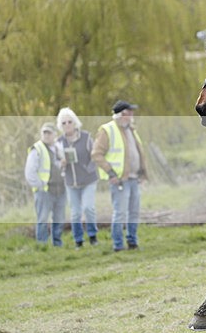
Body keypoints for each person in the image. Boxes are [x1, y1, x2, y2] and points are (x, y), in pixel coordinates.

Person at [92, 100, 148, 252]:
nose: (131, 116)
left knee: (134, 212)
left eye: (131, 113)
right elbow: (97, 154)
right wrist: (111, 173)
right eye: (128, 113)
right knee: (120, 213)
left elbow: (138, 153)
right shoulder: (107, 130)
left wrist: (142, 173)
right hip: (119, 180)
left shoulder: (131, 129)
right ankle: (118, 245)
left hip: (134, 178)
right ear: (121, 114)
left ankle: (132, 242)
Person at [56, 107, 99, 249]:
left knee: (88, 208)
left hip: (88, 180)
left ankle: (93, 236)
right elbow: (56, 163)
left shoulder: (86, 137)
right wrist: (61, 164)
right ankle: (78, 240)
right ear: (60, 126)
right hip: (71, 182)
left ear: (75, 122)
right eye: (64, 123)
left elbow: (95, 157)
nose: (67, 125)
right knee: (75, 214)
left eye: (69, 122)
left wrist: (88, 169)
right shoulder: (59, 142)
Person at [24, 122, 66, 246]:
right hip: (44, 191)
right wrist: (40, 185)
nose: (47, 136)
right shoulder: (37, 149)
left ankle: (57, 244)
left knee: (59, 219)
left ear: (55, 135)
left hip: (60, 189)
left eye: (49, 133)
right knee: (42, 219)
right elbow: (30, 172)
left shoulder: (59, 148)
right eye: (44, 133)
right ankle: (42, 246)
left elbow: (56, 166)